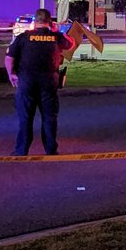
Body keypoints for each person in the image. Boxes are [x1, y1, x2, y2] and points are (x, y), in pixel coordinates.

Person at [5, 8, 76, 155]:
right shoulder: (55, 36)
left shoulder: (23, 37)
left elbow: (9, 57)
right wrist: (56, 30)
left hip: (26, 83)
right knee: (49, 118)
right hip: (48, 84)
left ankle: (21, 151)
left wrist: (11, 74)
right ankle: (51, 150)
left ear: (35, 21)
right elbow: (71, 44)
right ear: (49, 21)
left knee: (25, 119)